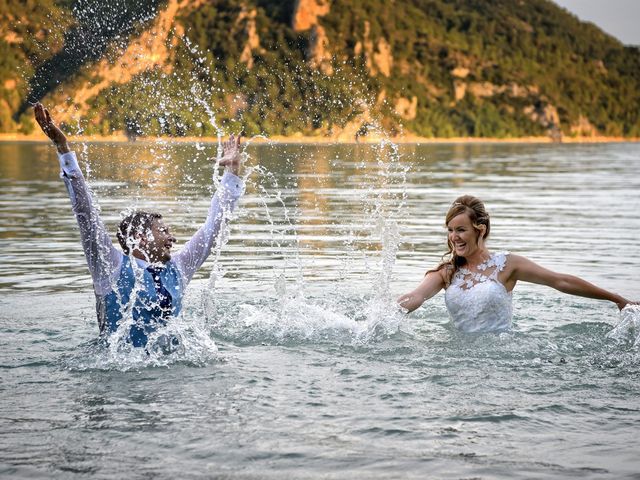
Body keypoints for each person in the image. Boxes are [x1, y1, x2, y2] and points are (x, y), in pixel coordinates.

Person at [34, 103, 245, 348]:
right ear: (139, 237)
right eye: (163, 230)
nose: (173, 238)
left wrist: (233, 171)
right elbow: (85, 214)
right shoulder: (108, 267)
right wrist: (63, 149)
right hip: (117, 371)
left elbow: (213, 228)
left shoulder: (179, 268)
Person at [397, 195, 636, 332]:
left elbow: (560, 281)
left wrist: (616, 298)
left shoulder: (508, 265)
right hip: (455, 359)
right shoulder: (447, 272)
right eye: (450, 230)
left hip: (501, 355)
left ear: (480, 229)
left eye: (461, 230)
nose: (454, 237)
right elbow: (416, 296)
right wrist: (382, 312)